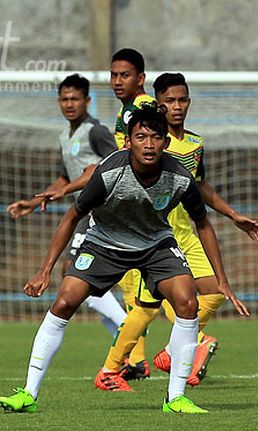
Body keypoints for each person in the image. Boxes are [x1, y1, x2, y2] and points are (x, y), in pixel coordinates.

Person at [0, 105, 249, 414]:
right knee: (64, 302)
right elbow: (73, 215)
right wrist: (44, 270)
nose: (148, 144)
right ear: (128, 141)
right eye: (141, 136)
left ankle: (176, 398)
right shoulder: (110, 171)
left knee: (187, 302)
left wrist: (222, 281)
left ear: (166, 143)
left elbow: (204, 225)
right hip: (104, 242)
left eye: (156, 137)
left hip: (155, 244)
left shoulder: (180, 177)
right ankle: (28, 393)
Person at [94, 72, 258, 392]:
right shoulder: (146, 141)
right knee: (146, 309)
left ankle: (173, 351)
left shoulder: (195, 143)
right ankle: (111, 369)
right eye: (170, 101)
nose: (177, 107)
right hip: (152, 236)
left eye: (182, 100)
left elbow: (199, 186)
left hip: (185, 231)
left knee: (215, 291)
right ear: (157, 104)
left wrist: (232, 215)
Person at [6, 74, 127, 336]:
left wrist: (69, 190)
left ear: (87, 101)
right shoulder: (65, 135)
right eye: (64, 99)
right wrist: (32, 202)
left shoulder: (96, 131)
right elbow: (64, 177)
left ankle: (126, 326)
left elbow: (112, 165)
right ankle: (124, 336)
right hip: (85, 211)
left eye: (75, 99)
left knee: (74, 273)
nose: (69, 104)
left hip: (102, 210)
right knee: (76, 275)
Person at [106, 48, 160, 379]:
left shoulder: (140, 110)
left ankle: (197, 341)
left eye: (124, 75)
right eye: (113, 75)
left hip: (138, 210)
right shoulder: (127, 110)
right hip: (127, 207)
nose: (116, 81)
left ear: (140, 79)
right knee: (132, 286)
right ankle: (136, 359)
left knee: (151, 290)